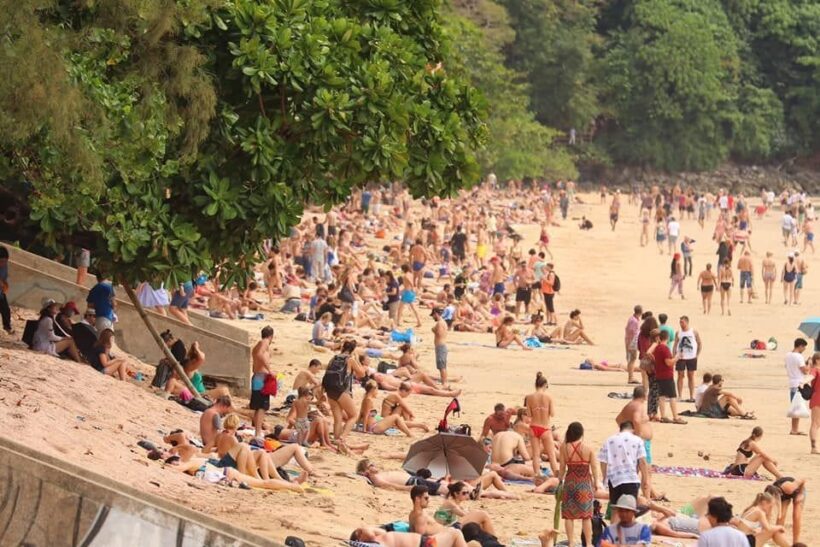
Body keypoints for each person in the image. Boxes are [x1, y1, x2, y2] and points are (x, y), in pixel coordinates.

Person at [598, 421, 650, 521]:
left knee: (615, 510)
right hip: (630, 478)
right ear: (633, 430)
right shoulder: (637, 440)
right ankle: (628, 535)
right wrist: (645, 478)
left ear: (620, 429)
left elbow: (603, 462)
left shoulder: (609, 440)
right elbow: (642, 461)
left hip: (614, 479)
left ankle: (613, 535)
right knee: (630, 510)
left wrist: (605, 477)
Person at [558, 422, 599, 547]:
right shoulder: (589, 448)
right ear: (581, 433)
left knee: (569, 516)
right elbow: (594, 467)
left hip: (570, 483)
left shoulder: (564, 447)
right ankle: (588, 543)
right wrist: (596, 482)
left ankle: (571, 542)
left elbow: (562, 468)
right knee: (586, 516)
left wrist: (560, 481)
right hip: (584, 484)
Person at [323, 340, 367, 450]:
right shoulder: (350, 359)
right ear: (352, 350)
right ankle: (342, 438)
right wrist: (357, 359)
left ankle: (338, 443)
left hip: (329, 389)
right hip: (341, 389)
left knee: (337, 418)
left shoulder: (334, 358)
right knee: (353, 415)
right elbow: (362, 374)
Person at [433, 483, 497, 535]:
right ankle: (491, 539)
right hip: (445, 530)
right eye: (464, 493)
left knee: (478, 521)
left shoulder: (455, 503)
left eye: (467, 492)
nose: (466, 495)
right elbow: (464, 515)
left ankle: (488, 538)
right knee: (481, 516)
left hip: (449, 528)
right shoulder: (450, 503)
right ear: (456, 493)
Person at [525, 371, 558, 476]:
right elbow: (552, 414)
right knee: (551, 455)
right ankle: (557, 476)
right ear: (545, 385)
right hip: (545, 428)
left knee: (535, 455)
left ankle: (537, 475)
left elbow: (529, 414)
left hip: (534, 427)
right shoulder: (549, 397)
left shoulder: (529, 397)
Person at [615, 387, 653, 470]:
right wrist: (638, 436)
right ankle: (645, 483)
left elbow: (618, 419)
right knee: (646, 468)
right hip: (641, 440)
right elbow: (636, 420)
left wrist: (627, 430)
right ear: (645, 395)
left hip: (632, 439)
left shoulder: (629, 405)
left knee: (635, 466)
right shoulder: (639, 405)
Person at [653, 330, 685, 424]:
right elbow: (668, 362)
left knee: (661, 396)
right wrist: (677, 357)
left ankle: (663, 416)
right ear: (667, 338)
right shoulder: (665, 348)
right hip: (667, 375)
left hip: (659, 374)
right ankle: (675, 417)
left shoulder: (658, 348)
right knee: (672, 396)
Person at [250, 326, 275, 439]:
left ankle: (257, 431)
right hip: (261, 377)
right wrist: (269, 370)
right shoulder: (264, 342)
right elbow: (260, 355)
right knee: (262, 407)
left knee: (258, 406)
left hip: (257, 376)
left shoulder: (257, 345)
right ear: (271, 336)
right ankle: (258, 433)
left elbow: (255, 358)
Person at [350, 526, 468, 547]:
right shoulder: (377, 543)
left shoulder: (379, 537)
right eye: (360, 532)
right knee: (455, 533)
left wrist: (369, 530)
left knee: (452, 531)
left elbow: (376, 530)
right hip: (426, 545)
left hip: (425, 542)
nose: (364, 529)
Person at [673, 315, 701, 402]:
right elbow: (675, 344)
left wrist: (697, 354)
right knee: (680, 375)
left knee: (691, 376)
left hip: (691, 356)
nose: (681, 324)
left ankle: (691, 396)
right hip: (681, 357)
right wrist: (674, 355)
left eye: (682, 322)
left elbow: (699, 343)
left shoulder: (694, 332)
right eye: (680, 322)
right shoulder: (678, 332)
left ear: (687, 322)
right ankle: (680, 395)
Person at [785, 338, 809, 435]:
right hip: (798, 383)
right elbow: (805, 371)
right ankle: (794, 429)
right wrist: (809, 364)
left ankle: (794, 429)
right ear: (800, 346)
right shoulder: (799, 357)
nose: (804, 349)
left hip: (792, 382)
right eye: (804, 347)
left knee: (795, 407)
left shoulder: (788, 355)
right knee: (797, 408)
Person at [771, 476, 805, 544]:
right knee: (781, 515)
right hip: (784, 495)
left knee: (796, 516)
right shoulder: (770, 495)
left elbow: (802, 479)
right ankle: (779, 538)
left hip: (798, 491)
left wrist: (801, 493)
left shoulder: (789, 488)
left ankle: (796, 542)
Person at [806, 352, 820, 453]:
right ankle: (813, 447)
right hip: (817, 398)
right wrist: (803, 382)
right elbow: (810, 376)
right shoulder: (815, 370)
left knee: (816, 423)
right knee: (815, 423)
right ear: (817, 360)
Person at [431, 307, 449, 386]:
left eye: (433, 315)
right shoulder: (443, 322)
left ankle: (444, 383)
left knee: (442, 366)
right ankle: (443, 381)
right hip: (441, 346)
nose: (433, 317)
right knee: (441, 366)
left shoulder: (440, 323)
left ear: (436, 314)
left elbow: (439, 334)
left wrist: (434, 330)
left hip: (441, 346)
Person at [624, 305, 642, 385]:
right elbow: (632, 334)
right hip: (632, 342)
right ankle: (630, 377)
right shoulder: (634, 321)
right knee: (632, 359)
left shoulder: (633, 319)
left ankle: (631, 377)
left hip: (630, 341)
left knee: (631, 359)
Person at [0, 245, 11, 334]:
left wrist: (5, 285)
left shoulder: (5, 267)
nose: (3, 263)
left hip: (0, 292)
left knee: (6, 310)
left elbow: (4, 279)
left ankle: (7, 327)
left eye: (5, 261)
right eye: (2, 261)